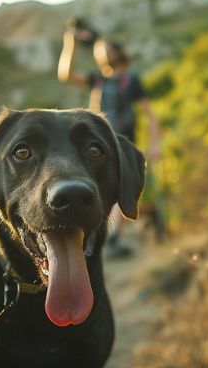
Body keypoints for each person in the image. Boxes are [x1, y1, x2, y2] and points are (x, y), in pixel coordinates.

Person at [58, 19, 160, 258]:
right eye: (99, 49)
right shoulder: (98, 80)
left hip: (123, 145)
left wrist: (156, 144)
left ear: (117, 52)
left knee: (121, 192)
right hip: (96, 148)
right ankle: (137, 222)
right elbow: (66, 75)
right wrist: (70, 43)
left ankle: (114, 237)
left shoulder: (131, 80)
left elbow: (149, 114)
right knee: (110, 193)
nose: (102, 52)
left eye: (107, 49)